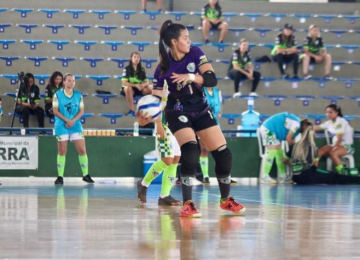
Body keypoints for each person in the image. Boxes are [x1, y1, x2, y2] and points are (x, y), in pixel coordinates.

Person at [137, 20, 246, 218]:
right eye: (185, 38)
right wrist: (147, 117)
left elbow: (212, 79)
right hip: (177, 111)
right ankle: (187, 203)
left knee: (224, 154)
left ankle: (225, 200)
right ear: (173, 42)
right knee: (190, 151)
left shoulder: (195, 53)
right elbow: (154, 99)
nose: (189, 41)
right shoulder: (163, 68)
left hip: (201, 109)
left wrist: (192, 77)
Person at [137, 83, 182, 206]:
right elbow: (156, 101)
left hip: (179, 123)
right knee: (167, 160)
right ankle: (144, 184)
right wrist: (158, 124)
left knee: (175, 159)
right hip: (165, 123)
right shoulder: (164, 77)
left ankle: (164, 195)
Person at [285, 122, 360, 185]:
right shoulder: (313, 147)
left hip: (296, 178)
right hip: (309, 177)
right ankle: (357, 180)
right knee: (334, 176)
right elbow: (315, 165)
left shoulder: (294, 146)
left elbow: (284, 160)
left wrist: (295, 164)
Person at [52, 74, 94, 185]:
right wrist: (67, 120)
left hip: (75, 125)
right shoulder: (57, 95)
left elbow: (81, 111)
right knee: (62, 151)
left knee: (82, 150)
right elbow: (55, 111)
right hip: (62, 125)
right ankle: (60, 176)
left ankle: (85, 174)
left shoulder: (79, 95)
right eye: (69, 80)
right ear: (64, 82)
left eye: (73, 81)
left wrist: (73, 121)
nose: (71, 83)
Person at [199, 87, 237, 185]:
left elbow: (221, 103)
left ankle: (226, 175)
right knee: (204, 149)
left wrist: (220, 113)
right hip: (201, 121)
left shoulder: (217, 91)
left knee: (221, 150)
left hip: (215, 121)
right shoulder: (200, 89)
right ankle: (205, 176)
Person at [260, 112, 308, 184]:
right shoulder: (296, 124)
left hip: (273, 132)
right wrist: (294, 150)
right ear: (304, 125)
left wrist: (293, 151)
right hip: (268, 129)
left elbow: (292, 141)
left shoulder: (297, 130)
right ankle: (264, 177)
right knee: (273, 151)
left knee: (280, 153)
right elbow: (288, 138)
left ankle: (283, 177)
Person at [313, 105, 354, 175]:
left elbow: (339, 138)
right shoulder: (329, 123)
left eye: (330, 112)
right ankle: (313, 172)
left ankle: (344, 175)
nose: (328, 114)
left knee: (333, 153)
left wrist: (332, 149)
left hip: (347, 146)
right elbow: (316, 128)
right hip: (335, 145)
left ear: (336, 113)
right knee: (318, 152)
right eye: (327, 112)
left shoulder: (341, 121)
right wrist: (304, 126)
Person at [121, 52, 153, 117]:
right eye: (135, 57)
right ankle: (132, 110)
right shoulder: (127, 69)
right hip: (130, 88)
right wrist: (135, 85)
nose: (136, 59)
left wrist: (143, 85)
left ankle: (155, 108)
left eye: (138, 57)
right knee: (128, 88)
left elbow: (147, 81)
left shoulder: (141, 69)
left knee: (152, 87)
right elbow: (124, 82)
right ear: (131, 58)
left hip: (139, 88)